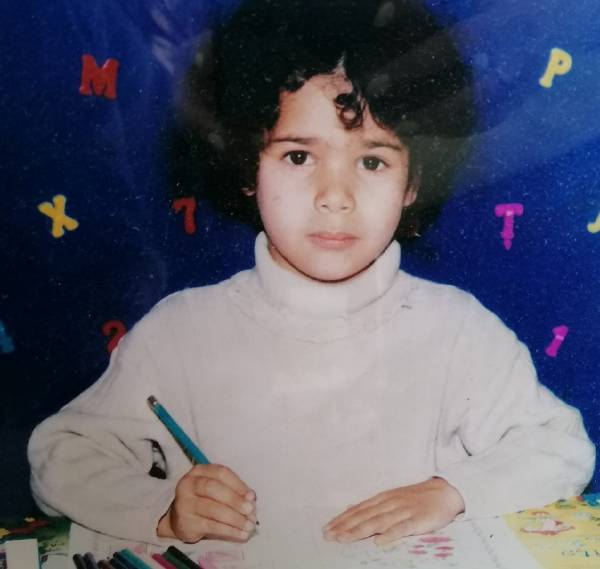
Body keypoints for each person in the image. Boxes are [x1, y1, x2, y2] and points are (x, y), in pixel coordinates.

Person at [28, 0, 594, 548]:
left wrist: (455, 492)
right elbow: (61, 455)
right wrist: (162, 508)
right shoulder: (181, 332)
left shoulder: (457, 331)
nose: (335, 196)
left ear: (414, 182)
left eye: (372, 161)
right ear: (248, 164)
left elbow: (561, 447)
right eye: (299, 156)